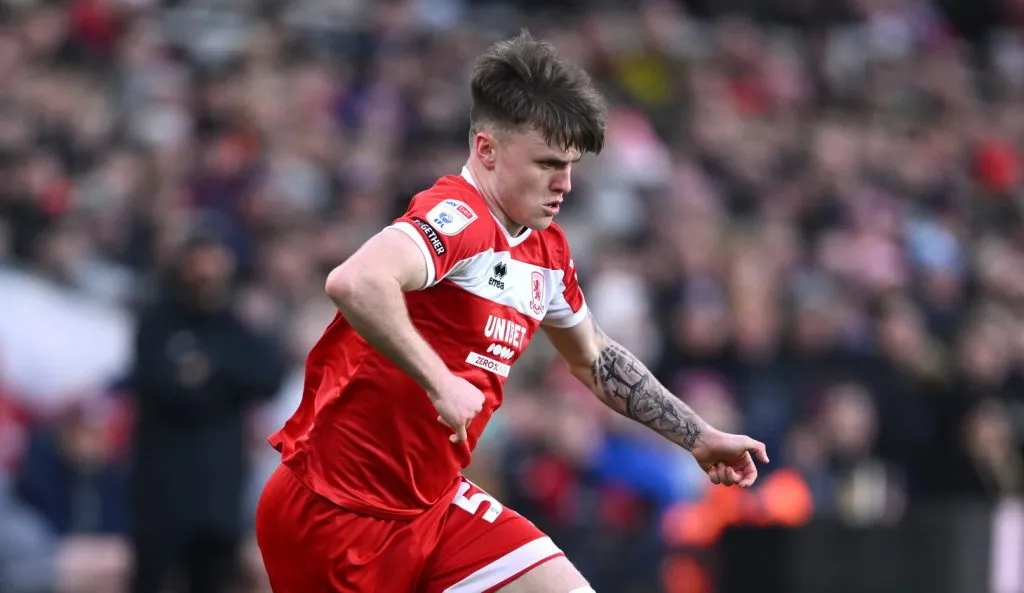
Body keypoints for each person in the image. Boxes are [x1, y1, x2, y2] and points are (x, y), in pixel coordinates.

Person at [255, 31, 769, 593]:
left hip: (435, 505)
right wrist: (440, 382)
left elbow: (594, 359)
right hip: (334, 511)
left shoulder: (546, 252)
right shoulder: (459, 216)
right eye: (548, 164)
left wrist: (699, 437)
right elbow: (355, 281)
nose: (564, 184)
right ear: (487, 150)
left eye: (570, 165)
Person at [130, 222, 286, 593]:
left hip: (218, 485)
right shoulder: (157, 320)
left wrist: (210, 369)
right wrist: (228, 385)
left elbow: (268, 376)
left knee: (213, 579)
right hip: (162, 483)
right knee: (151, 577)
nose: (206, 273)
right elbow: (162, 384)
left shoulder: (236, 325)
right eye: (199, 262)